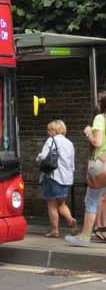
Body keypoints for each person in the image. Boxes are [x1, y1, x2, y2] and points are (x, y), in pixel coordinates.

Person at [66, 91, 106, 246]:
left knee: (91, 201)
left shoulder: (100, 118)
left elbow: (97, 142)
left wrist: (89, 133)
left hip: (100, 165)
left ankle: (84, 237)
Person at [37, 120, 77, 237]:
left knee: (51, 204)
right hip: (66, 178)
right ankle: (70, 219)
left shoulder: (51, 140)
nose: (48, 132)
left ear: (54, 130)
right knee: (61, 203)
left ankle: (55, 230)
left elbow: (43, 156)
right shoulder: (69, 143)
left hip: (53, 176)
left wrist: (38, 158)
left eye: (49, 130)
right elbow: (72, 163)